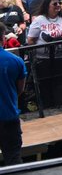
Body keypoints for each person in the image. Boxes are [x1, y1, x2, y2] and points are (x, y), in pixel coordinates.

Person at [0, 22, 26, 166]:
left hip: (9, 118)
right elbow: (19, 90)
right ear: (3, 38)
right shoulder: (16, 61)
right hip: (9, 117)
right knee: (13, 161)